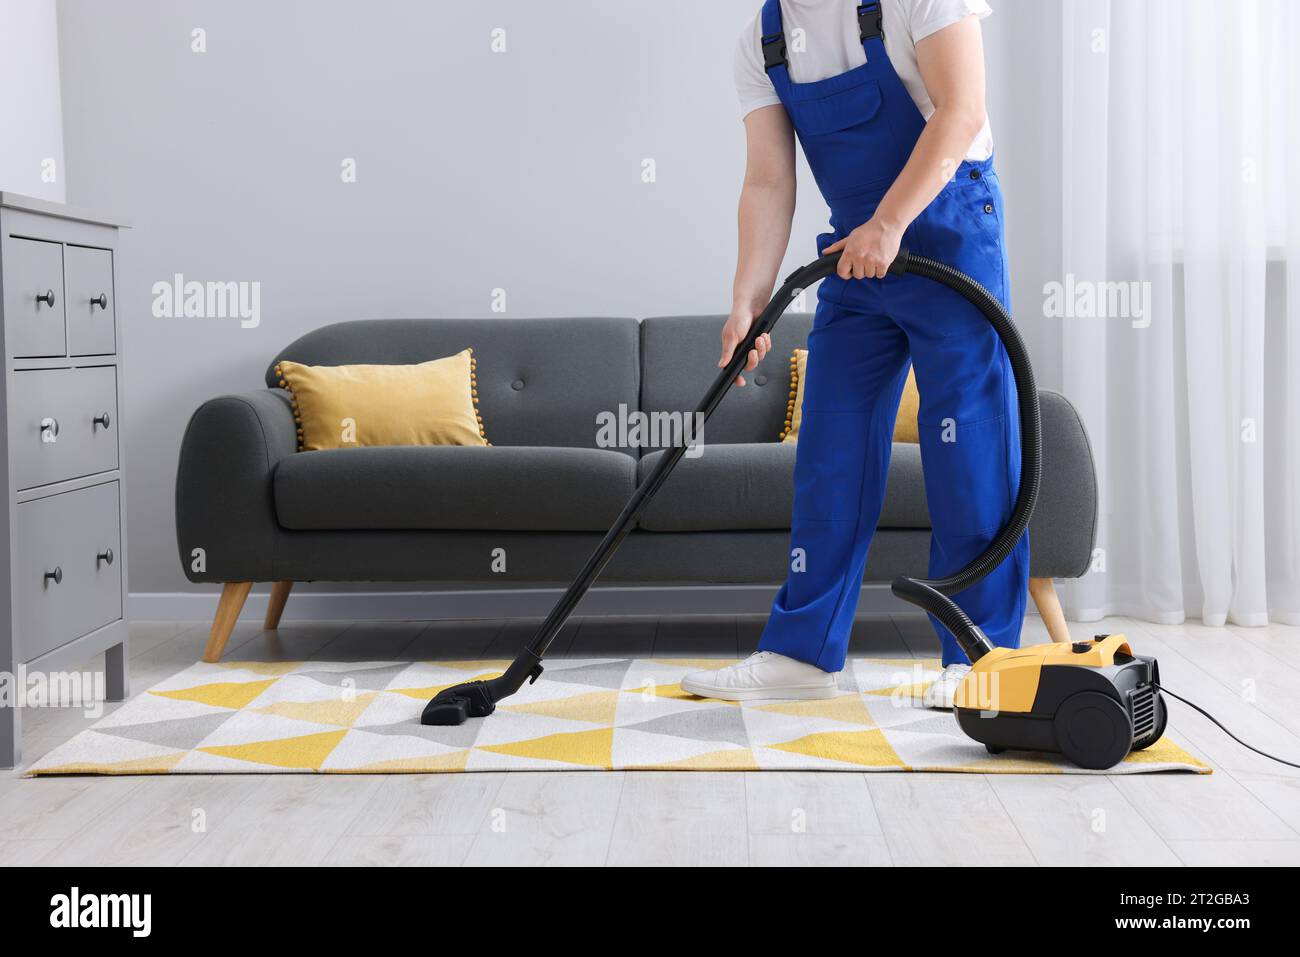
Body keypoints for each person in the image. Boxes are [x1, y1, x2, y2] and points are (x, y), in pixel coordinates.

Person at [681, 0, 1027, 709]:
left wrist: (891, 222)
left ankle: (979, 657)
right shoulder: (764, 43)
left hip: (950, 231)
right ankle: (802, 652)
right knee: (831, 444)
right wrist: (748, 299)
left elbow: (960, 112)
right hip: (858, 257)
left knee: (970, 446)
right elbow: (769, 181)